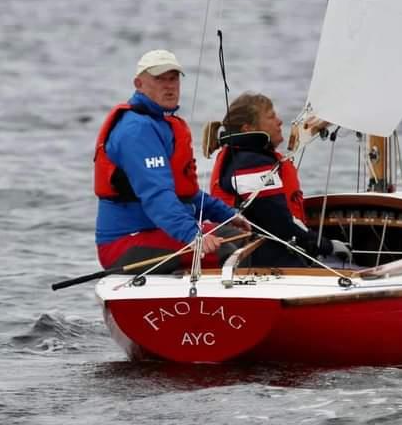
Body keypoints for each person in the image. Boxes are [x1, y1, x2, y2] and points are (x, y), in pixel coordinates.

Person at [94, 49, 249, 272]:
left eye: (173, 78)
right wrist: (193, 236)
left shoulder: (162, 124)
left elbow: (186, 193)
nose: (169, 85)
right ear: (138, 84)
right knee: (227, 252)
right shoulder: (136, 130)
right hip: (125, 243)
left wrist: (228, 215)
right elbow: (157, 196)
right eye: (159, 79)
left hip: (160, 232)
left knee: (239, 238)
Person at [202, 92, 351, 268]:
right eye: (271, 117)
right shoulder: (249, 163)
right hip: (260, 260)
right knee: (353, 269)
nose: (280, 121)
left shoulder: (240, 157)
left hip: (262, 254)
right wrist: (327, 246)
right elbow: (279, 223)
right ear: (248, 129)